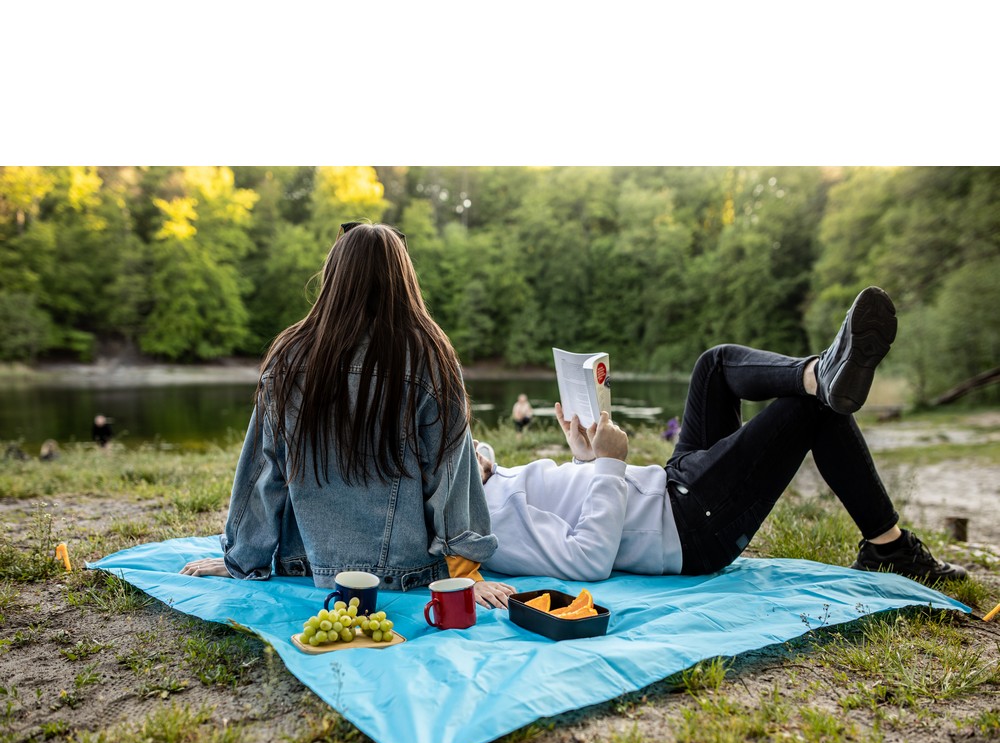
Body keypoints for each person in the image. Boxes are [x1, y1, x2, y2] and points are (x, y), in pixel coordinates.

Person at [477, 287, 968, 585]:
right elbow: (589, 560)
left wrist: (585, 458)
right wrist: (608, 464)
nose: (477, 449)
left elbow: (575, 507)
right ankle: (889, 548)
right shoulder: (490, 521)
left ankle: (820, 373)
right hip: (690, 526)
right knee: (808, 410)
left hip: (671, 488)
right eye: (462, 453)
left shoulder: (490, 483)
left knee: (713, 366)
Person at [180, 222, 515, 609]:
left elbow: (263, 471)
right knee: (478, 453)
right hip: (406, 571)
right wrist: (465, 572)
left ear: (333, 276)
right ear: (402, 277)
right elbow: (450, 472)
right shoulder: (430, 353)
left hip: (306, 564)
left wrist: (243, 559)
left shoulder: (289, 353)